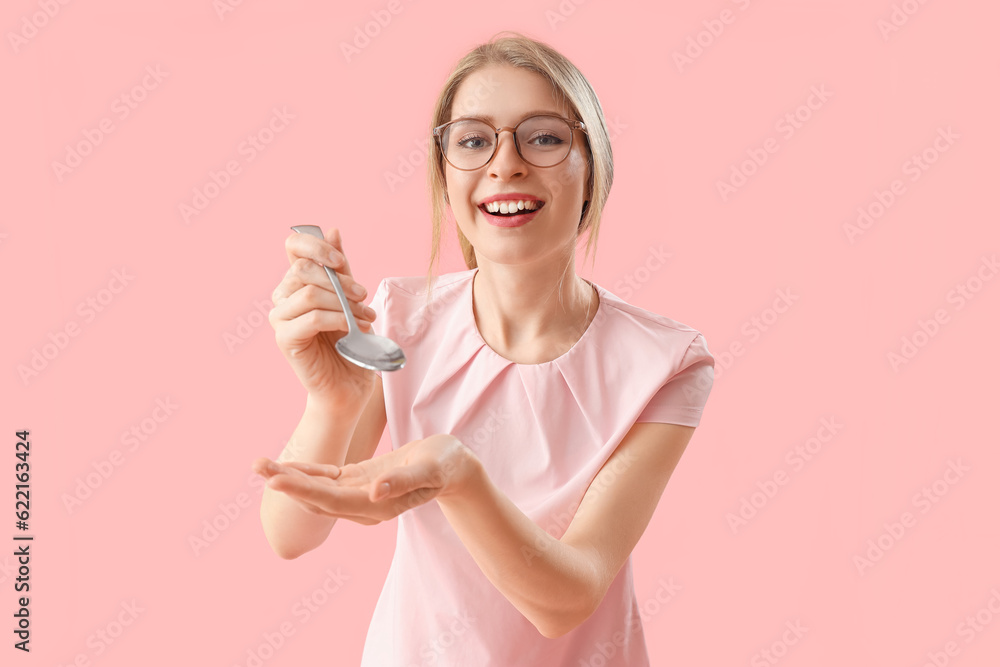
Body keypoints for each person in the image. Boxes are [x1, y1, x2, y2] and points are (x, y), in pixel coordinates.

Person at [252, 31, 715, 666]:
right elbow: (291, 532)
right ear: (446, 176)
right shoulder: (401, 319)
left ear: (594, 170)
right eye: (473, 140)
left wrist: (457, 476)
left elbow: (566, 599)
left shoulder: (666, 362)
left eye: (544, 137)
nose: (505, 164)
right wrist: (333, 402)